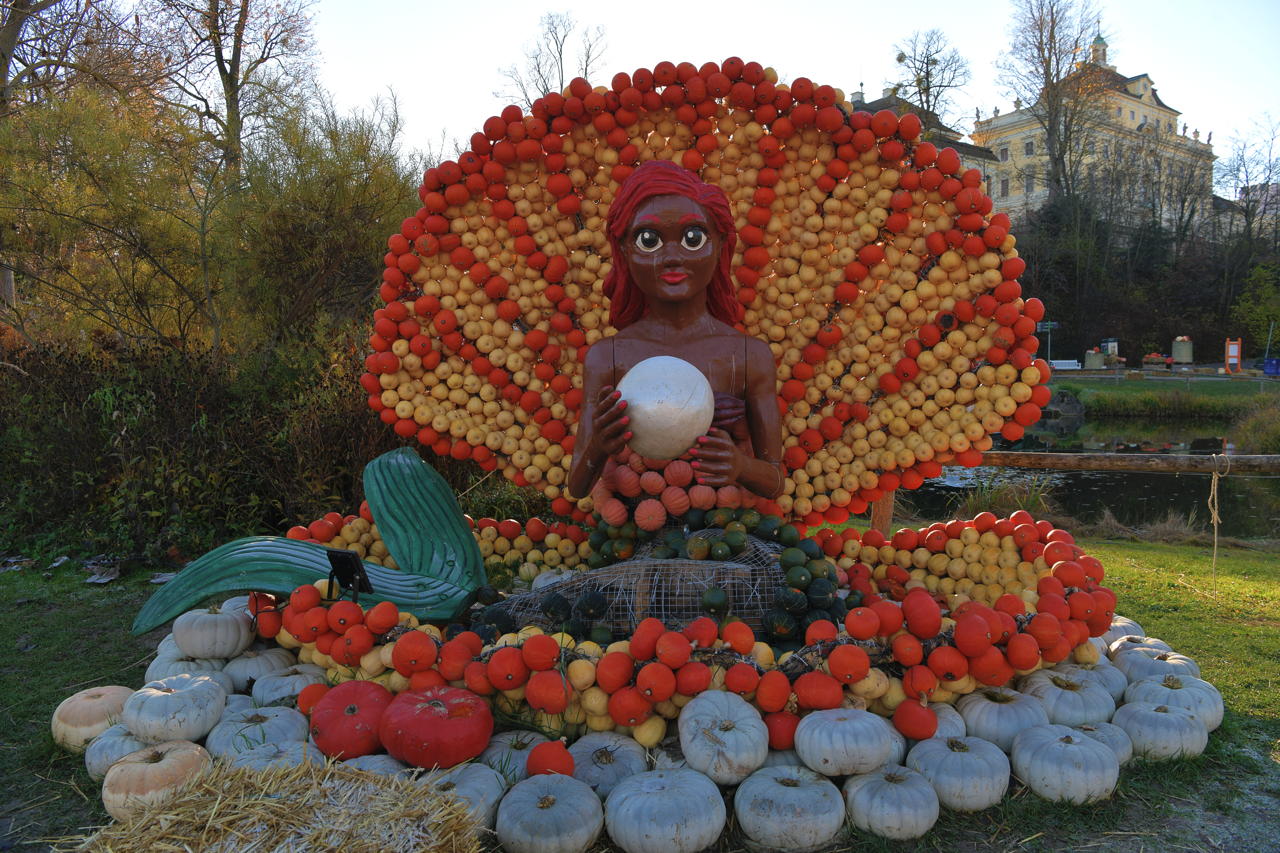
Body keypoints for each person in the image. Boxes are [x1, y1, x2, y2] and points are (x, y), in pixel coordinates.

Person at [567, 160, 783, 502]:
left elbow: (774, 482)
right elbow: (577, 486)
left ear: (720, 245)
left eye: (693, 238)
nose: (672, 256)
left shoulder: (748, 356)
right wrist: (599, 444)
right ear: (624, 250)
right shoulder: (608, 356)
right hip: (632, 536)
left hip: (724, 534)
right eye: (649, 240)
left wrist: (740, 467)